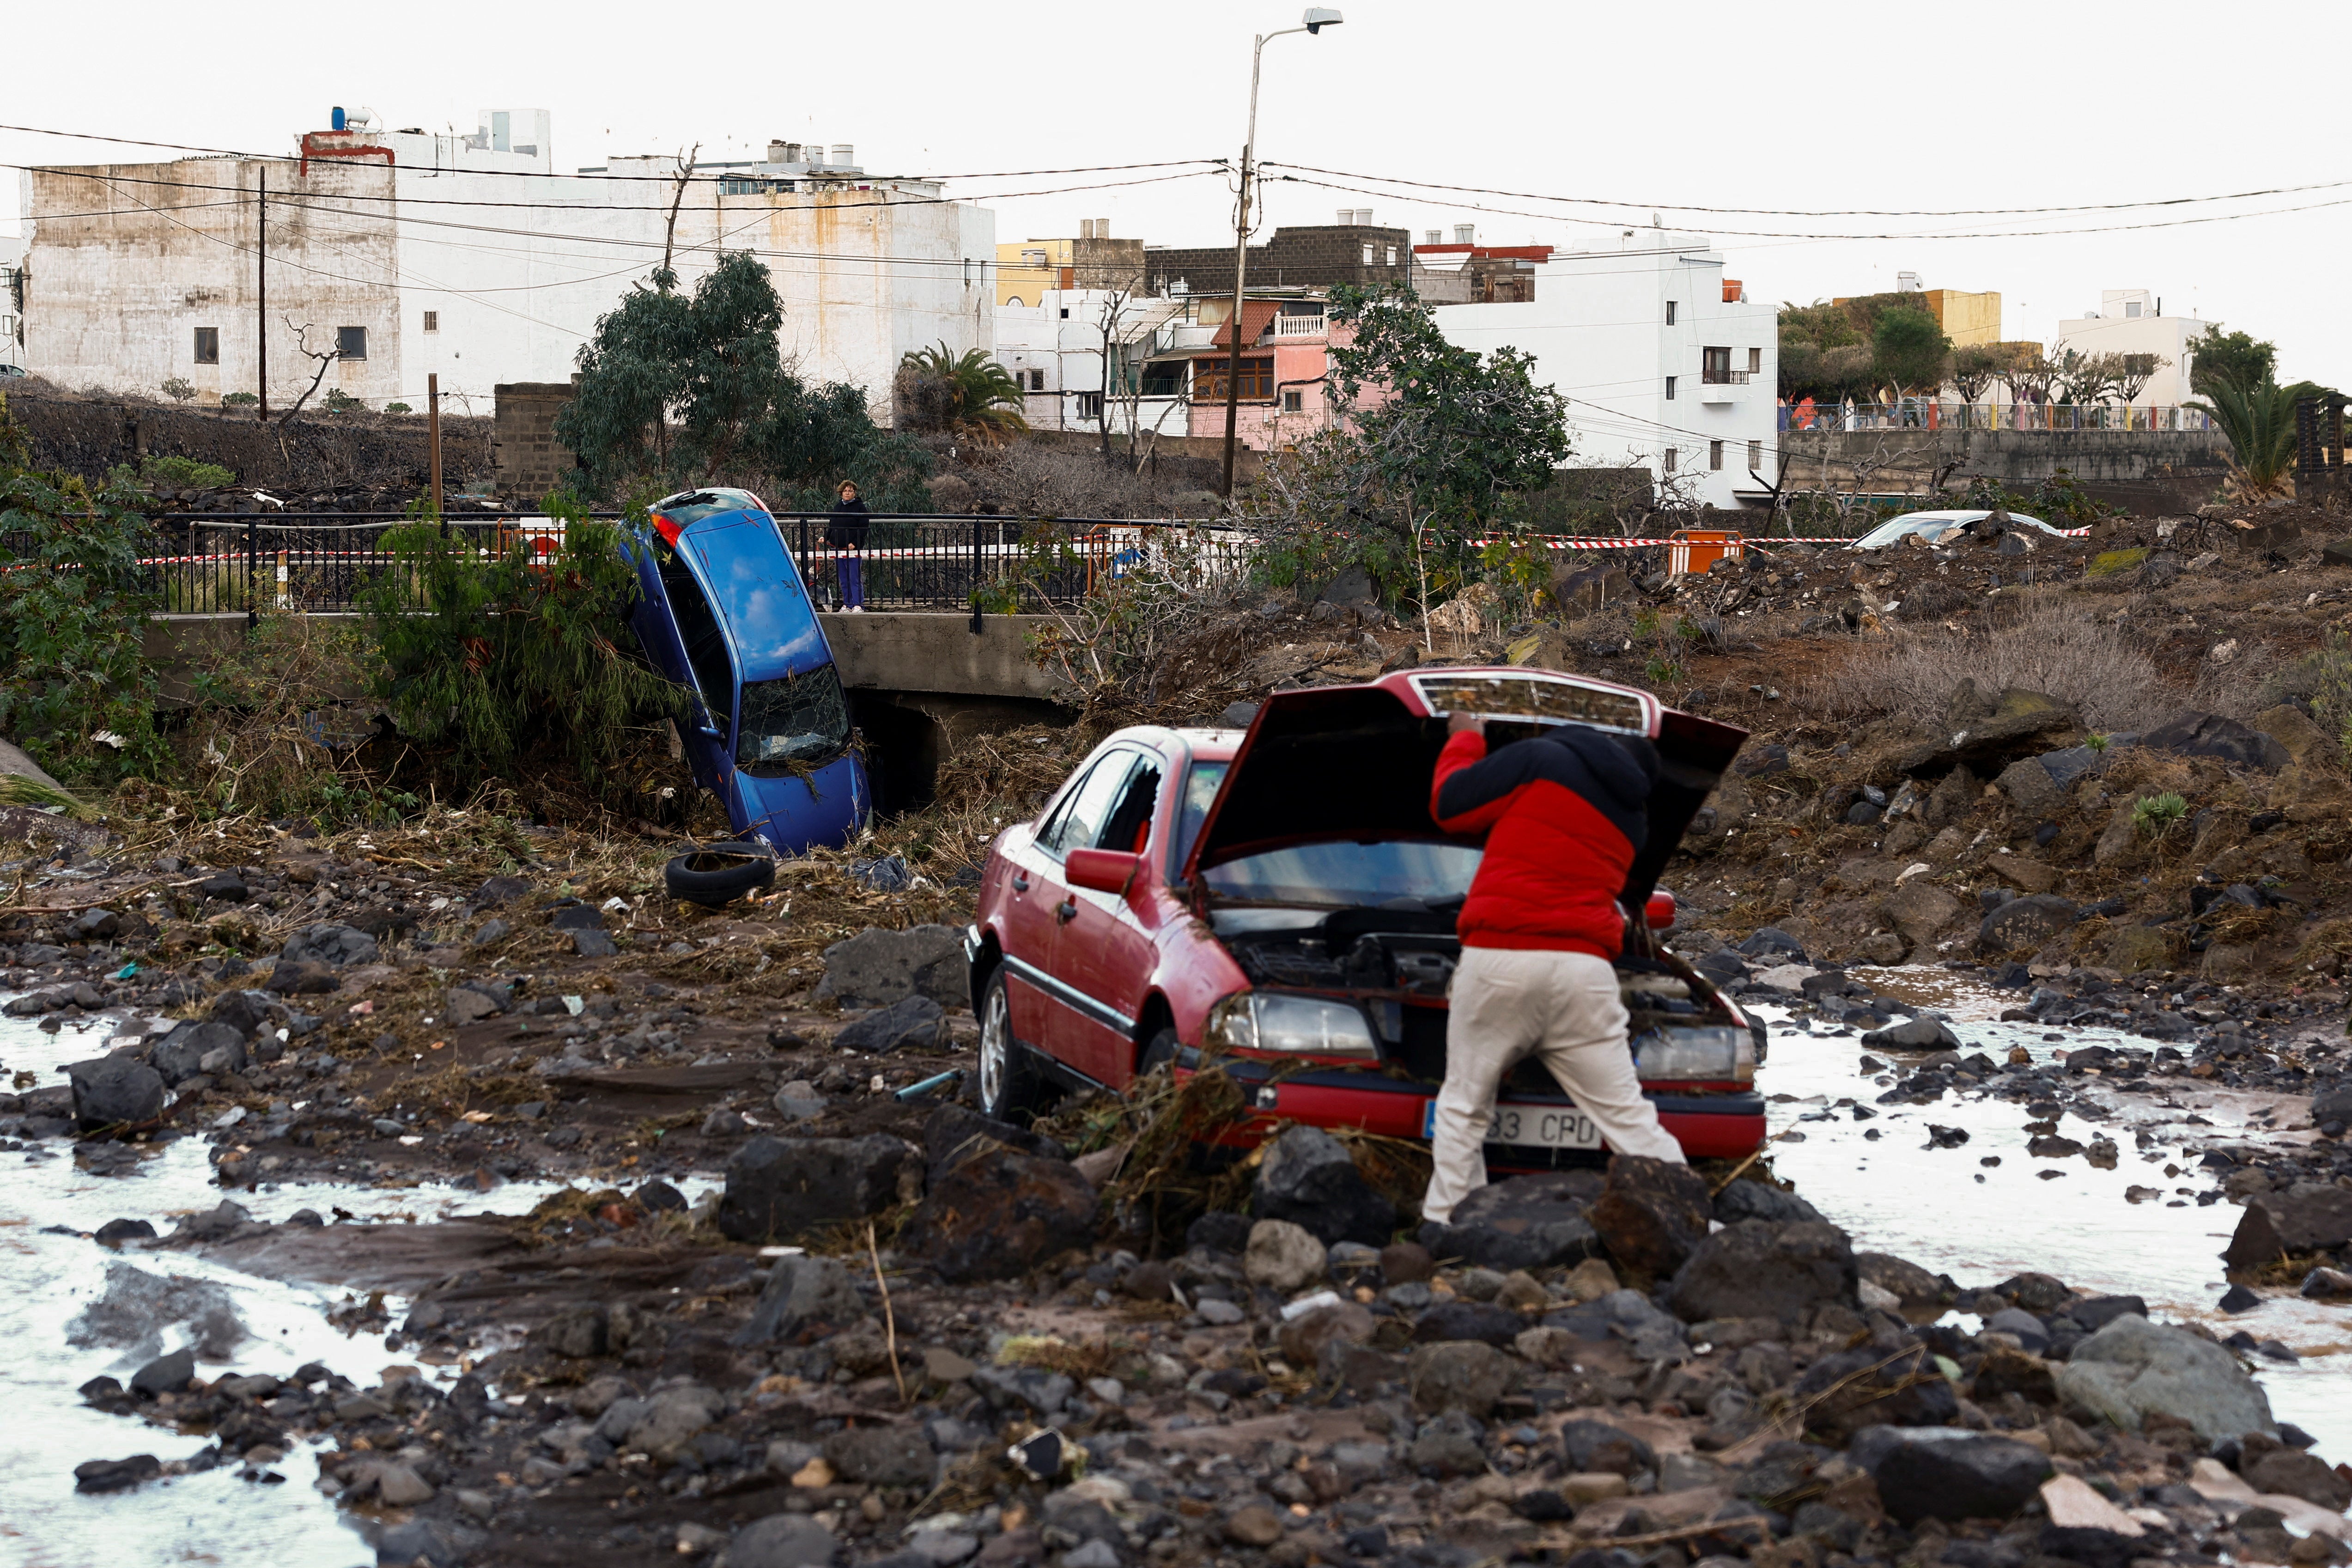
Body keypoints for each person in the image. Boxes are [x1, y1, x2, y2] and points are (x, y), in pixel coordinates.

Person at [1420, 709, 1685, 1227]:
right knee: (1628, 1118)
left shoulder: (1542, 758)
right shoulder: (1634, 822)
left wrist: (1468, 738)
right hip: (1583, 974)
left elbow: (1450, 807)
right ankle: (1687, 1218)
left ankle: (1448, 1223)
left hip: (1502, 957)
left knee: (1465, 1105)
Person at [827, 480, 870, 611]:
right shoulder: (837, 507)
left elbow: (864, 528)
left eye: (850, 491)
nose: (847, 493)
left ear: (854, 493)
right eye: (845, 491)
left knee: (854, 578)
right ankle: (848, 604)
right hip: (838, 549)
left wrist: (855, 544)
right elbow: (832, 525)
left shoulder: (860, 507)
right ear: (841, 493)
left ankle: (858, 605)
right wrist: (826, 538)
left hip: (853, 549)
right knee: (844, 579)